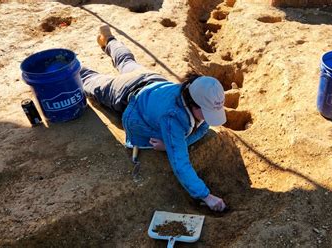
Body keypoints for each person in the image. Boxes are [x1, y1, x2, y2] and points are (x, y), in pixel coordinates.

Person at [80, 25, 227, 212]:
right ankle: (71, 66)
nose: (208, 119)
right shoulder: (173, 119)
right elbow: (180, 163)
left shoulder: (195, 93)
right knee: (91, 82)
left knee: (126, 60)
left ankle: (109, 40)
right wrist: (206, 196)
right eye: (206, 113)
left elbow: (205, 126)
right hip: (125, 93)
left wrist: (177, 143)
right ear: (194, 104)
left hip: (150, 79)